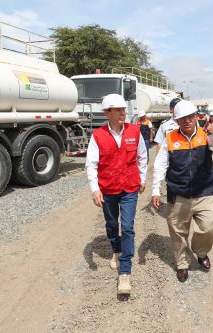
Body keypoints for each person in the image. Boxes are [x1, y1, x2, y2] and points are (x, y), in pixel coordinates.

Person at [152, 100, 213, 282]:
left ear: (196, 116)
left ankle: (200, 251)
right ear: (176, 120)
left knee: (209, 226)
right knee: (178, 231)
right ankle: (182, 263)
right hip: (179, 193)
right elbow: (160, 165)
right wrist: (155, 189)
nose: (187, 121)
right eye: (182, 118)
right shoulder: (170, 138)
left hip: (204, 192)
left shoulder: (205, 134)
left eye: (190, 117)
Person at [85, 94, 147, 295]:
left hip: (129, 187)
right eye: (118, 109)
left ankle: (125, 272)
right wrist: (95, 188)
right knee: (112, 225)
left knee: (127, 227)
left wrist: (142, 178)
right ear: (107, 113)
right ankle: (116, 250)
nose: (123, 112)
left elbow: (142, 157)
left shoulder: (135, 131)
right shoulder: (98, 136)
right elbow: (91, 164)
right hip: (108, 188)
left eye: (123, 109)